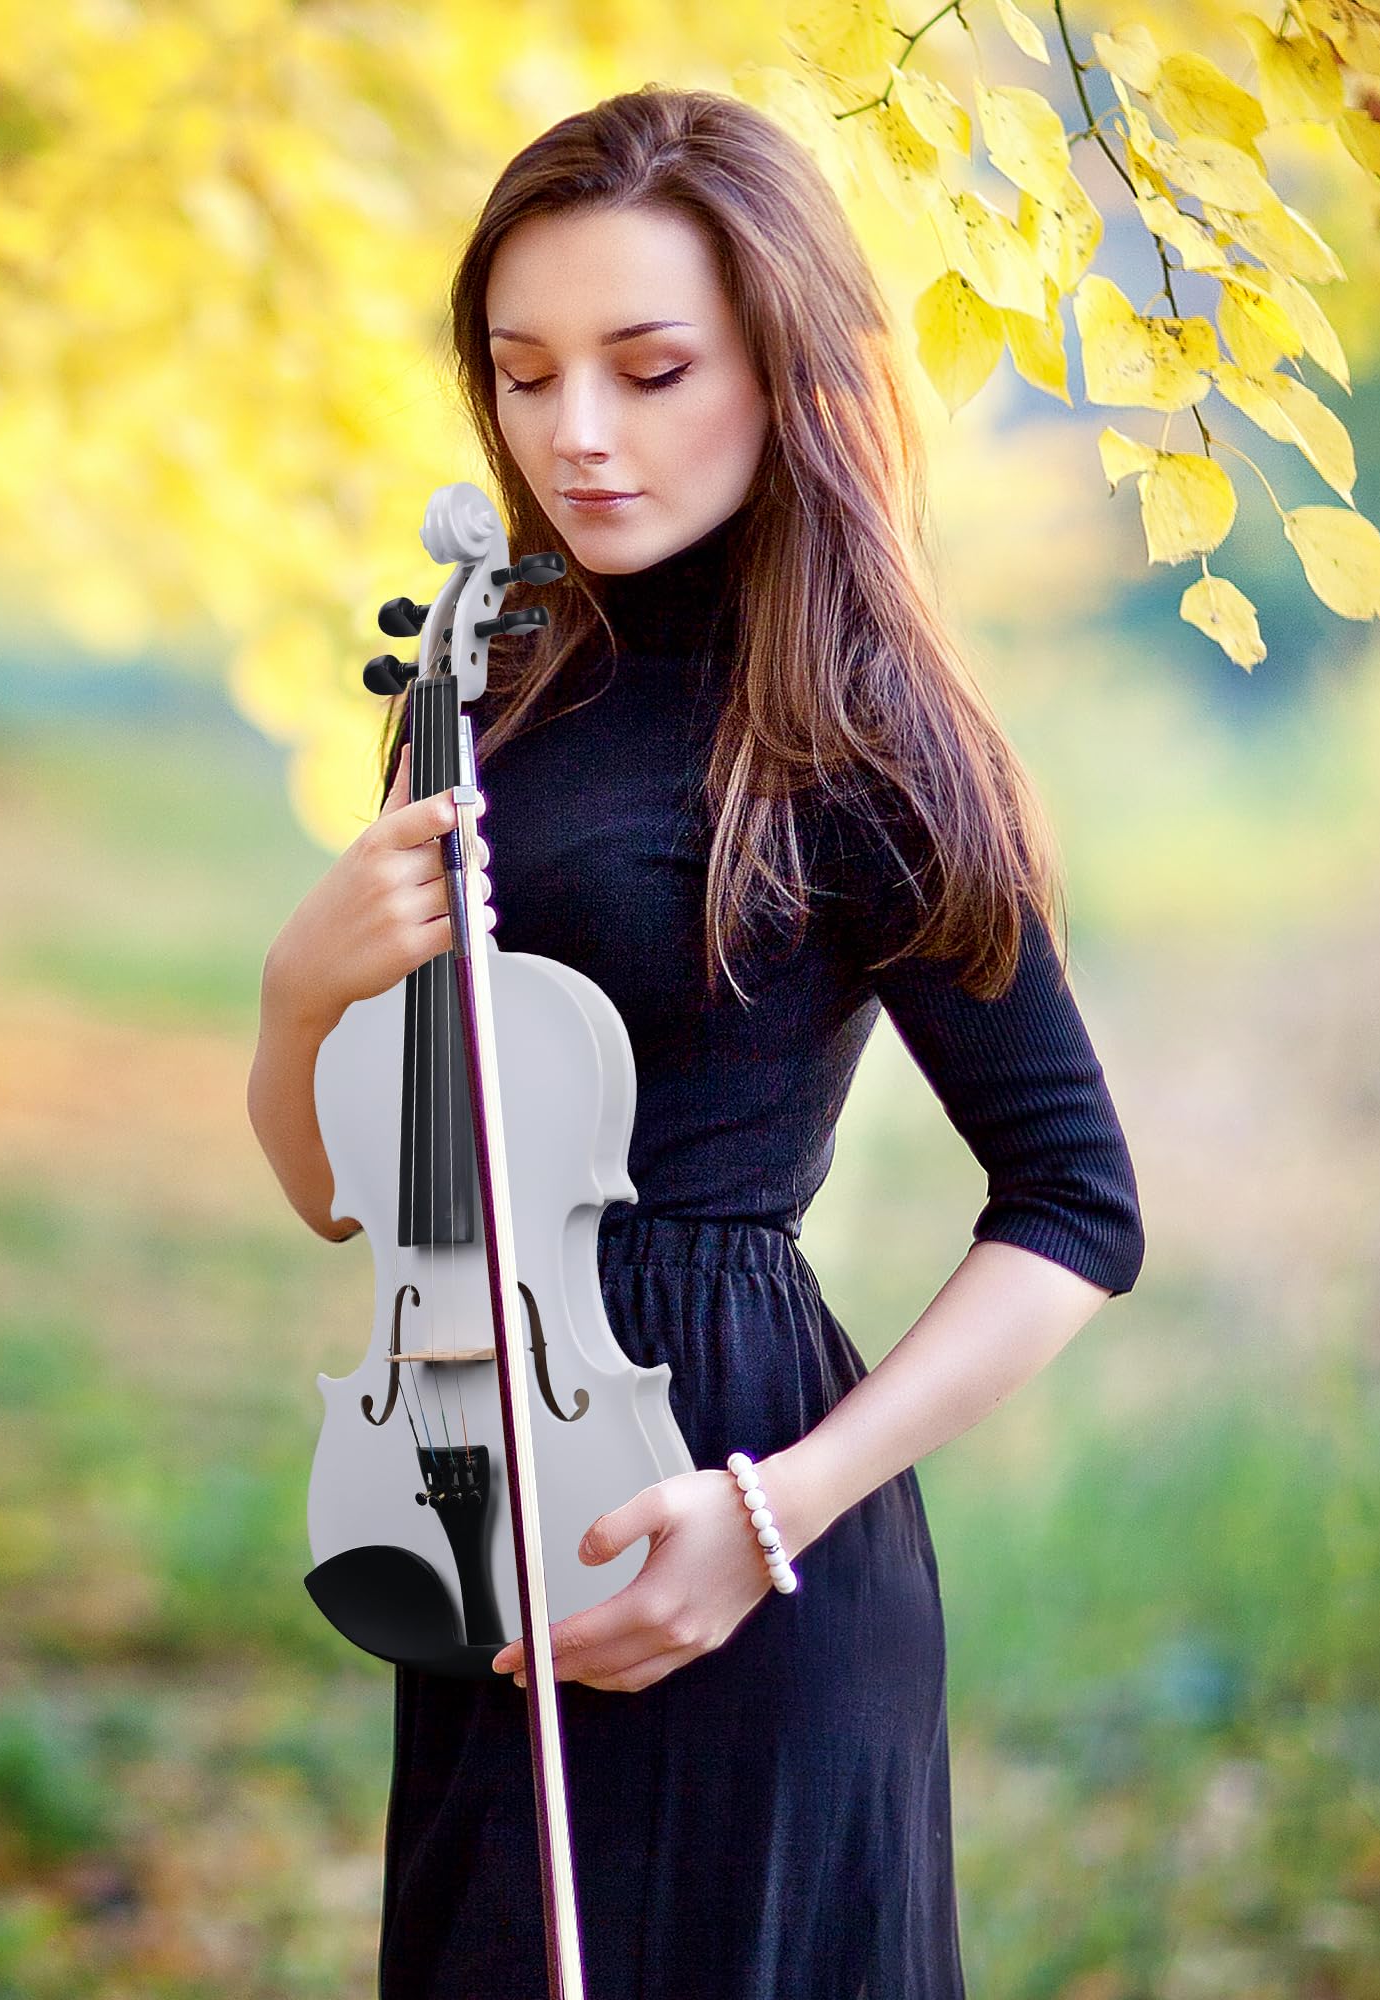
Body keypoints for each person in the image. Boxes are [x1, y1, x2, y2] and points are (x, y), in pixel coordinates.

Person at [246, 85, 1146, 2000]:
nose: (576, 433)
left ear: (782, 370)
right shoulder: (482, 688)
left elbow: (1077, 1208)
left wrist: (775, 1511)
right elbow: (354, 1203)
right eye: (523, 372)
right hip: (486, 1508)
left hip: (750, 1520)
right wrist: (298, 989)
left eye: (652, 370)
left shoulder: (872, 731)